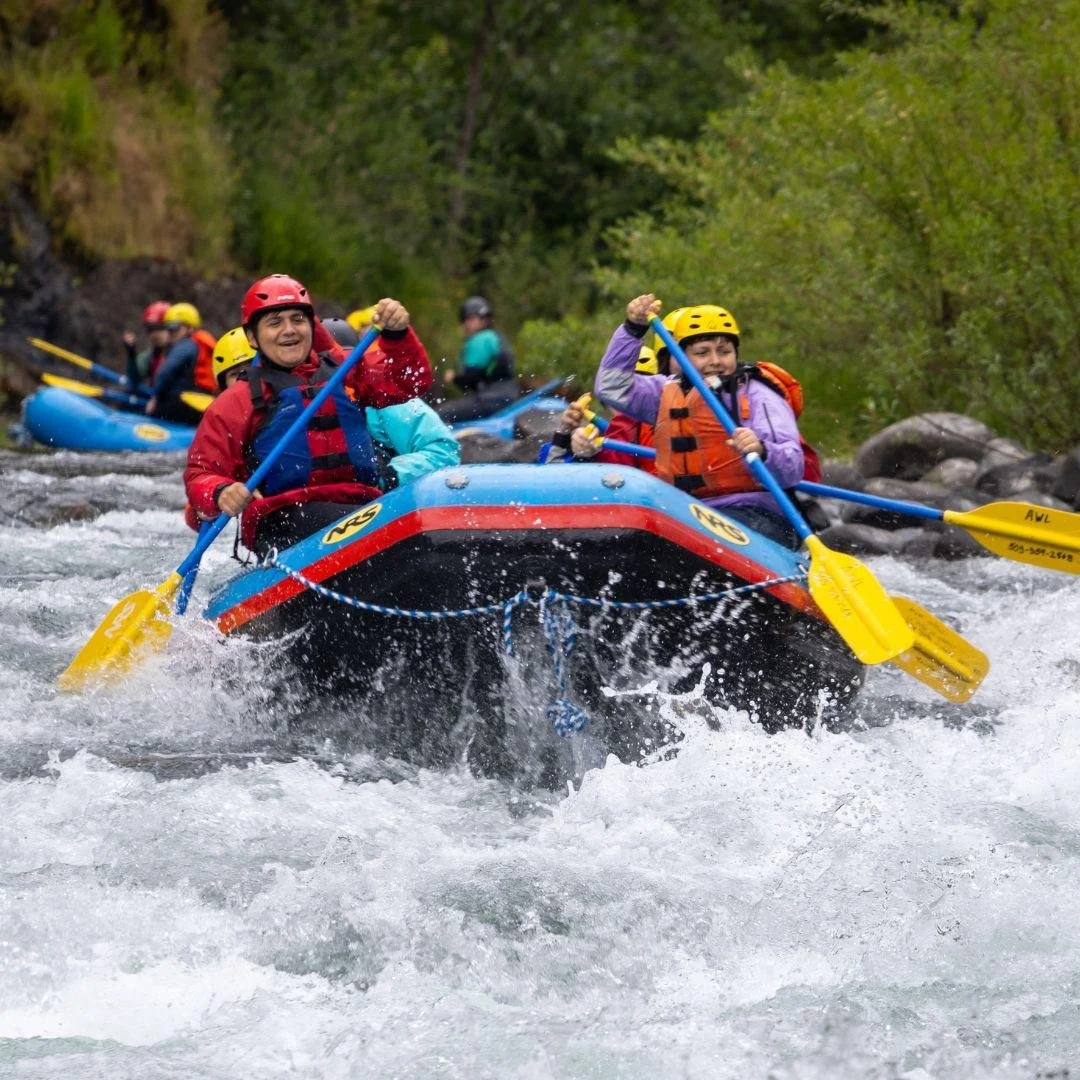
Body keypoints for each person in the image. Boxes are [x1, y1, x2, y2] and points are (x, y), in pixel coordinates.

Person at [183, 274, 432, 556]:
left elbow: (408, 384)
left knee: (419, 543)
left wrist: (398, 336)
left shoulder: (344, 370)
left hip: (362, 505)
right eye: (275, 322)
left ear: (312, 327)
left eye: (297, 320)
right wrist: (220, 492)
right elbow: (200, 474)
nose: (289, 330)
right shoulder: (237, 401)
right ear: (253, 337)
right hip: (286, 518)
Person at [594, 294, 805, 549]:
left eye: (724, 351)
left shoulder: (759, 395)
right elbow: (611, 387)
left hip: (753, 510)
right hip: (685, 511)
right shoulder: (663, 392)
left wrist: (762, 449)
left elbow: (793, 466)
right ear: (681, 357)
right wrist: (632, 329)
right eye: (702, 353)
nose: (715, 361)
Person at [321, 315, 461, 487]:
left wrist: (389, 476)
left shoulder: (384, 403)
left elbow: (444, 452)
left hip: (388, 496)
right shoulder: (308, 406)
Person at [543, 348, 658, 473]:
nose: (627, 401)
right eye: (619, 390)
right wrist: (563, 435)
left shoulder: (657, 426)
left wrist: (593, 453)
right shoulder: (597, 435)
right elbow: (550, 474)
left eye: (636, 392)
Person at [436, 295, 517, 423]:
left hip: (492, 399)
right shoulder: (495, 336)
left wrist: (454, 378)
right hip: (506, 396)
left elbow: (470, 378)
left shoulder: (481, 339)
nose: (467, 324)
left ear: (484, 320)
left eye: (471, 319)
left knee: (439, 414)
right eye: (466, 320)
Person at [145, 302, 218, 425]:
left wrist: (155, 397)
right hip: (201, 400)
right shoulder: (198, 343)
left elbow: (165, 371)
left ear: (190, 328)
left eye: (175, 329)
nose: (171, 333)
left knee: (154, 409)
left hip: (187, 401)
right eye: (169, 329)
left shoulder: (186, 345)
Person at [122, 301, 171, 391]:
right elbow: (135, 378)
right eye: (150, 329)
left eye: (158, 328)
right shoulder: (152, 355)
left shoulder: (183, 354)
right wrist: (131, 353)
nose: (154, 334)